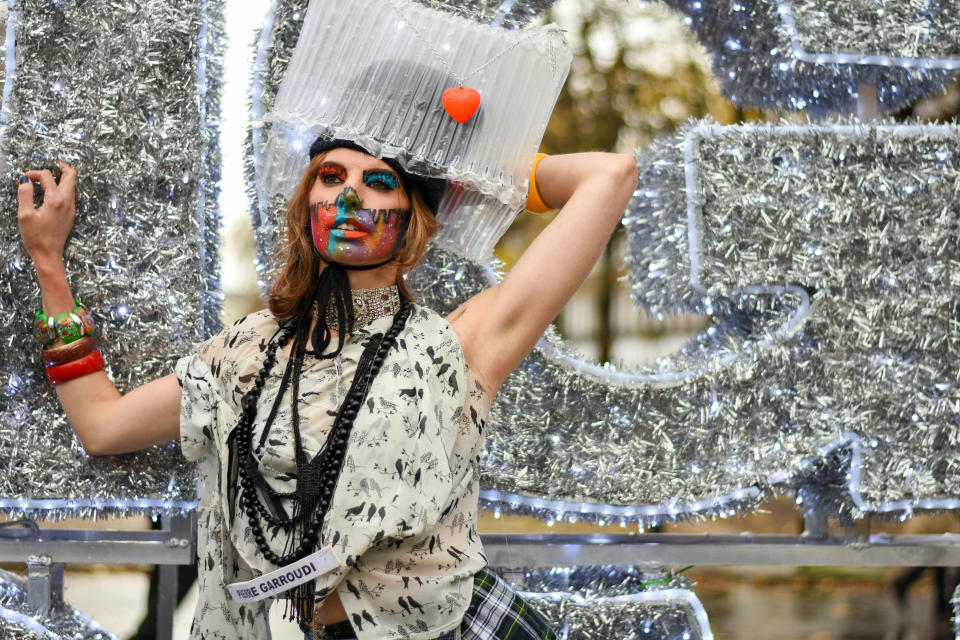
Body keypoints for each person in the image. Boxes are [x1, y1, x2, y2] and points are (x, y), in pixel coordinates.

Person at [18, 136, 636, 638]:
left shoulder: (460, 345)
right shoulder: (248, 352)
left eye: (381, 181)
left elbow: (609, 175)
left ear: (415, 218)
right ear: (306, 201)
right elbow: (102, 426)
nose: (351, 195)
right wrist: (48, 263)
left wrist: (455, 159)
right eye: (332, 176)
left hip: (450, 627)